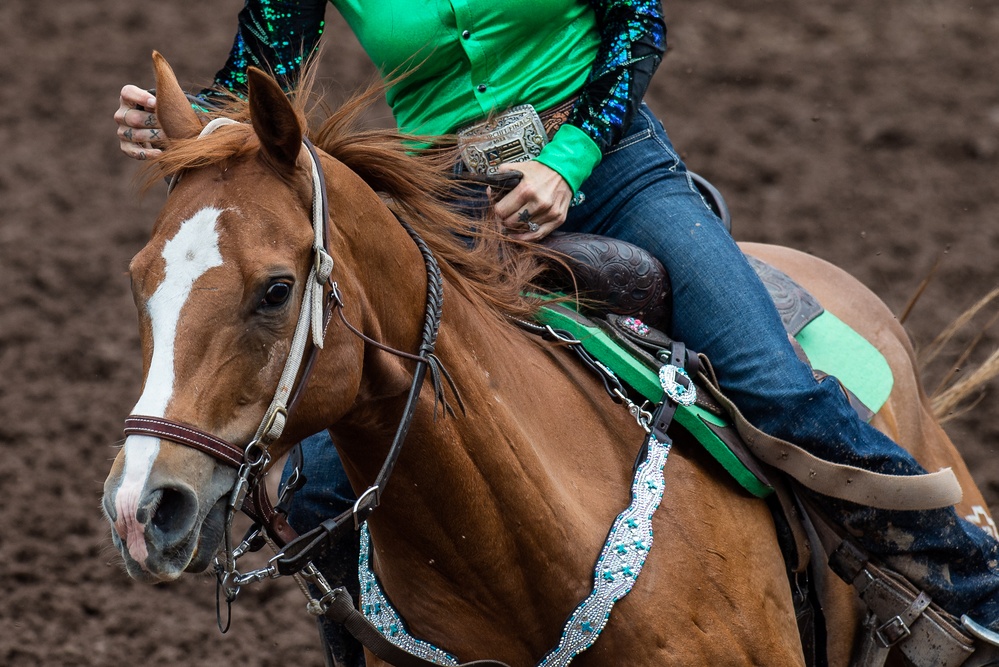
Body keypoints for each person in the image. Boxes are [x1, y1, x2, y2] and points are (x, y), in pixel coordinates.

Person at [115, 1, 999, 664]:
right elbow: (260, 72)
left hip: (609, 167)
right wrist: (184, 118)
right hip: (440, 202)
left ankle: (966, 587)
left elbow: (634, 29)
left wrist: (563, 161)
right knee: (314, 488)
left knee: (767, 378)